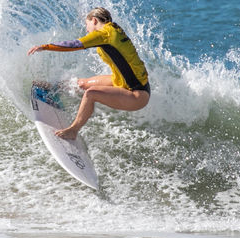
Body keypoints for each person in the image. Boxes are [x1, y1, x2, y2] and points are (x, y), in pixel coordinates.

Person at [27, 7, 149, 140]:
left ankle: (73, 130)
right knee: (82, 83)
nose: (86, 29)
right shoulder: (114, 29)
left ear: (95, 20)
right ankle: (53, 87)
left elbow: (74, 44)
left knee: (91, 94)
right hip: (122, 80)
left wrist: (45, 47)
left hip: (137, 94)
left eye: (87, 24)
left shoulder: (104, 34)